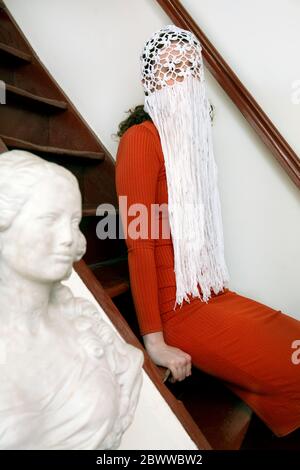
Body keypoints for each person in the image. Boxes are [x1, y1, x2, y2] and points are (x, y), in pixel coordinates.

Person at [115, 24, 300, 438]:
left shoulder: (193, 152)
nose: (178, 78)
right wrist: (154, 340)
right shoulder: (140, 140)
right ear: (150, 82)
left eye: (187, 69)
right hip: (176, 312)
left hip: (212, 295)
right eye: (167, 70)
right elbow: (138, 242)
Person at [0, 149, 143, 450]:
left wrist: (134, 358)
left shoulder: (78, 318)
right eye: (50, 218)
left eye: (75, 221)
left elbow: (126, 363)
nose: (69, 237)